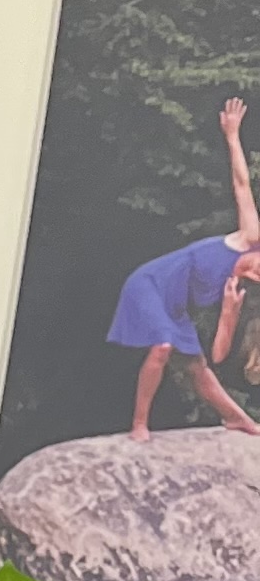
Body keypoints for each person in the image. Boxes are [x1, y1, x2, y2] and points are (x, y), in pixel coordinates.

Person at [111, 97, 260, 435]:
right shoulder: (251, 236)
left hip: (174, 304)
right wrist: (233, 136)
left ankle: (239, 419)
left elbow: (219, 355)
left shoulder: (234, 291)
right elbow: (241, 183)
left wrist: (227, 313)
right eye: (258, 267)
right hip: (149, 283)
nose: (251, 272)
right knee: (163, 345)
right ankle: (139, 424)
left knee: (197, 367)